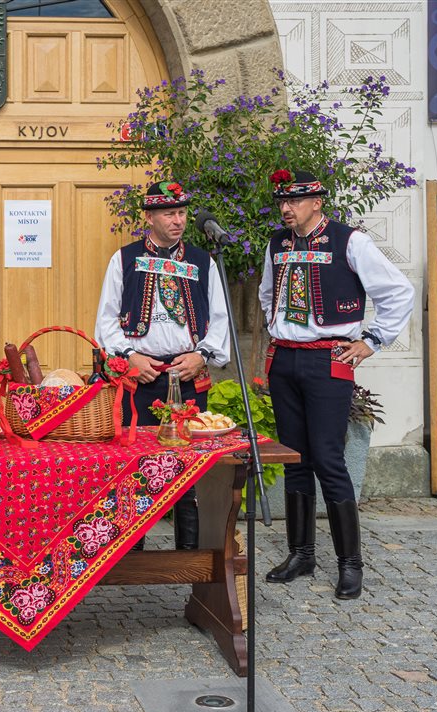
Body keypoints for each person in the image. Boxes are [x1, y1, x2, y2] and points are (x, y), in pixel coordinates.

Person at [258, 169, 414, 600]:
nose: (286, 209)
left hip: (329, 358)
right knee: (295, 458)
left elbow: (399, 291)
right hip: (284, 358)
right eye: (282, 202)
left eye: (295, 201)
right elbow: (266, 292)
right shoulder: (277, 243)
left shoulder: (351, 241)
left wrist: (371, 341)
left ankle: (350, 564)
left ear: (317, 202)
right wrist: (279, 325)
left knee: (329, 458)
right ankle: (301, 553)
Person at [94, 180, 231, 549]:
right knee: (134, 469)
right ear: (150, 216)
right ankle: (131, 555)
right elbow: (106, 319)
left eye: (183, 213)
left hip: (187, 376)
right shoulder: (124, 259)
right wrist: (129, 357)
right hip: (141, 377)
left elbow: (219, 317)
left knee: (188, 470)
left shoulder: (203, 261)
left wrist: (201, 356)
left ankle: (189, 556)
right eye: (170, 213)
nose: (178, 220)